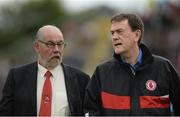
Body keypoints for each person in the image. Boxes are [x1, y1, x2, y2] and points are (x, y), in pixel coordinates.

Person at [84, 13, 180, 116]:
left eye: (119, 32)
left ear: (136, 35)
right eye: (112, 33)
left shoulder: (163, 68)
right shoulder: (102, 72)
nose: (114, 37)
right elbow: (90, 110)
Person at [0, 25, 90, 116]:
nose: (56, 50)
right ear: (36, 46)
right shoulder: (16, 76)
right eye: (50, 44)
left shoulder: (81, 79)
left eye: (60, 44)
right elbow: (5, 113)